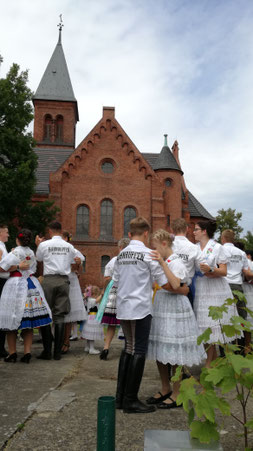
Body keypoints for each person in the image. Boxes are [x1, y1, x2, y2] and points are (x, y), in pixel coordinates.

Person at [112, 216, 175, 414]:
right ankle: (131, 400)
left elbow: (114, 281)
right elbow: (164, 283)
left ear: (129, 234)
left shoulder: (121, 255)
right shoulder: (149, 254)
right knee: (138, 349)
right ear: (146, 233)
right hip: (140, 307)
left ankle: (121, 398)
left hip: (123, 306)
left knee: (128, 347)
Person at [146, 230, 206, 408]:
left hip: (176, 307)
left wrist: (162, 264)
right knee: (161, 349)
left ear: (164, 244)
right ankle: (165, 388)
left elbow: (174, 284)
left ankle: (178, 392)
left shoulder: (177, 262)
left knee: (175, 351)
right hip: (163, 305)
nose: (154, 250)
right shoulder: (166, 261)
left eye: (155, 246)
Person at [0, 229, 52, 363]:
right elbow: (32, 269)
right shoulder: (31, 252)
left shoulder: (15, 252)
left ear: (18, 240)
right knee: (27, 322)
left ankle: (12, 354)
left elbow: (2, 267)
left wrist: (16, 266)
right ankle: (27, 352)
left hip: (16, 286)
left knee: (11, 322)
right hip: (31, 285)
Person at [193, 220, 239, 368]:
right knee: (205, 327)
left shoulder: (217, 247)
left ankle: (210, 365)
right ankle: (212, 363)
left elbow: (224, 271)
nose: (193, 232)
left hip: (216, 290)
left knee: (214, 326)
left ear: (204, 231)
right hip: (201, 288)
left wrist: (211, 270)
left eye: (196, 229)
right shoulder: (194, 248)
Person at [36, 221, 79, 360]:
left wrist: (38, 245)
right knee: (60, 316)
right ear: (61, 231)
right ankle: (57, 352)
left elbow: (39, 259)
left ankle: (47, 351)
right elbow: (74, 261)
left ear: (50, 231)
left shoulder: (44, 245)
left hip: (48, 280)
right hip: (63, 281)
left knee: (45, 315)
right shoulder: (69, 246)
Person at [99, 237, 130, 361]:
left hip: (115, 290)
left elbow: (107, 278)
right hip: (128, 289)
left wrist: (104, 293)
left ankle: (106, 347)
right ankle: (127, 349)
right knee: (128, 322)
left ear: (120, 247)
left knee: (112, 323)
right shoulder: (132, 259)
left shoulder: (114, 260)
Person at [221, 230, 251, 353]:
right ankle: (241, 348)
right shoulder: (242, 253)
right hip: (238, 286)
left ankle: (225, 351)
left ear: (223, 238)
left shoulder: (220, 250)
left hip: (223, 286)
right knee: (240, 318)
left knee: (224, 318)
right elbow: (247, 273)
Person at [61, 231, 87, 354]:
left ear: (66, 238)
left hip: (70, 281)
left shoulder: (73, 251)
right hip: (59, 279)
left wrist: (77, 266)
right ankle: (59, 340)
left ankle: (66, 341)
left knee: (68, 313)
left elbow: (78, 266)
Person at [171, 218, 202, 306]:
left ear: (172, 229)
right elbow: (200, 268)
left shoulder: (167, 246)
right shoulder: (194, 248)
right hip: (185, 288)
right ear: (187, 229)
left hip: (168, 286)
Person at [81, 286, 104, 354]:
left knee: (89, 334)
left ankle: (87, 347)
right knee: (92, 334)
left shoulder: (88, 299)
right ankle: (91, 349)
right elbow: (96, 301)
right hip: (92, 318)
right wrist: (102, 294)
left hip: (90, 318)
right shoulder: (91, 300)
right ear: (94, 294)